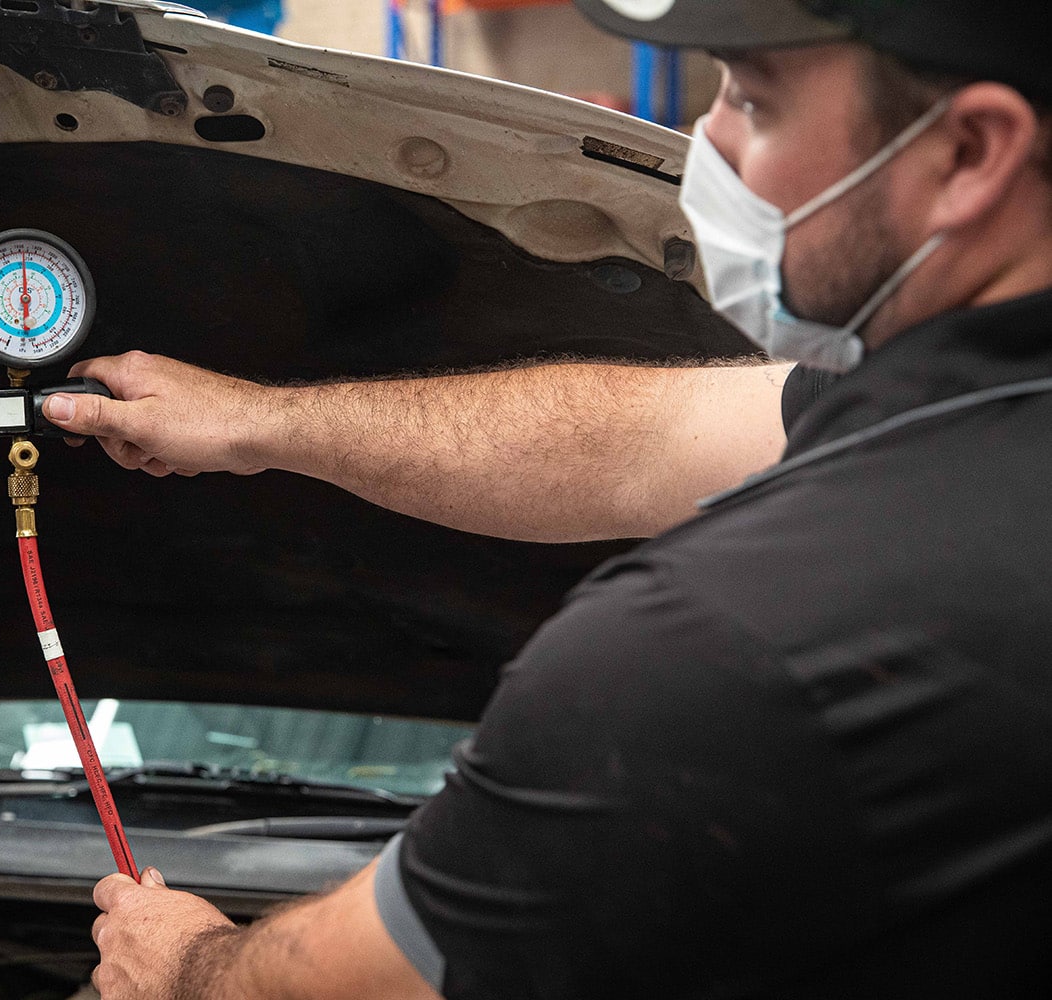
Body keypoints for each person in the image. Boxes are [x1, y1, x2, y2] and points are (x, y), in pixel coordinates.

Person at [59, 1, 1052, 996]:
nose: (709, 140)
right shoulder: (964, 422)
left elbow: (362, 984)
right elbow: (634, 444)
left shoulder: (730, 648)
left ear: (970, 152)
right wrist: (258, 423)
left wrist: (185, 966)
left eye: (756, 99)